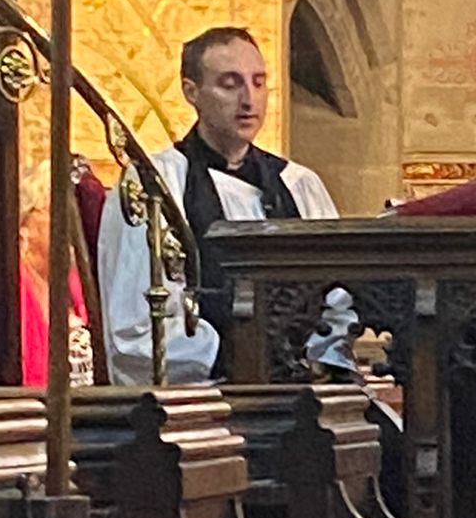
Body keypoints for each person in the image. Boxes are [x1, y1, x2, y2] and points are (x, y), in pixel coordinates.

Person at [97, 25, 338, 385]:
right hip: (207, 399)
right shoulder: (154, 186)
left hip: (302, 388)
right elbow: (135, 331)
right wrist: (238, 356)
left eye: (258, 82)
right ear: (191, 91)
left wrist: (324, 357)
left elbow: (339, 295)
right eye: (230, 84)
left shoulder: (299, 185)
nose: (249, 100)